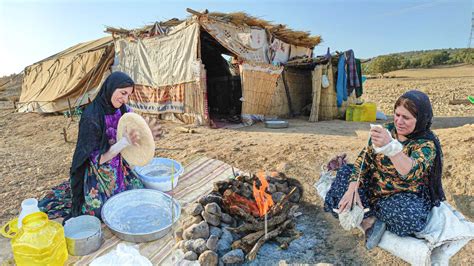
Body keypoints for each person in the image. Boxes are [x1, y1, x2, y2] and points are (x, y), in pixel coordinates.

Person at [324, 90, 445, 250]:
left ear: (420, 119)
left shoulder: (426, 144)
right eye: (397, 115)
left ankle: (366, 214)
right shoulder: (387, 130)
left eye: (406, 118)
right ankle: (369, 221)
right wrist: (352, 188)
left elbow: (410, 171)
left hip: (401, 194)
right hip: (373, 185)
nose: (399, 121)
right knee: (346, 174)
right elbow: (364, 159)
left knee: (410, 218)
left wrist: (391, 147)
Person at [39, 72, 161, 220]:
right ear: (111, 87)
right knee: (100, 211)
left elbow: (134, 133)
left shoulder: (123, 110)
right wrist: (123, 143)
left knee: (138, 194)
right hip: (97, 171)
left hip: (120, 166)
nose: (125, 99)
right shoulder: (92, 116)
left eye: (128, 95)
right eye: (123, 93)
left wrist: (144, 136)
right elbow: (97, 159)